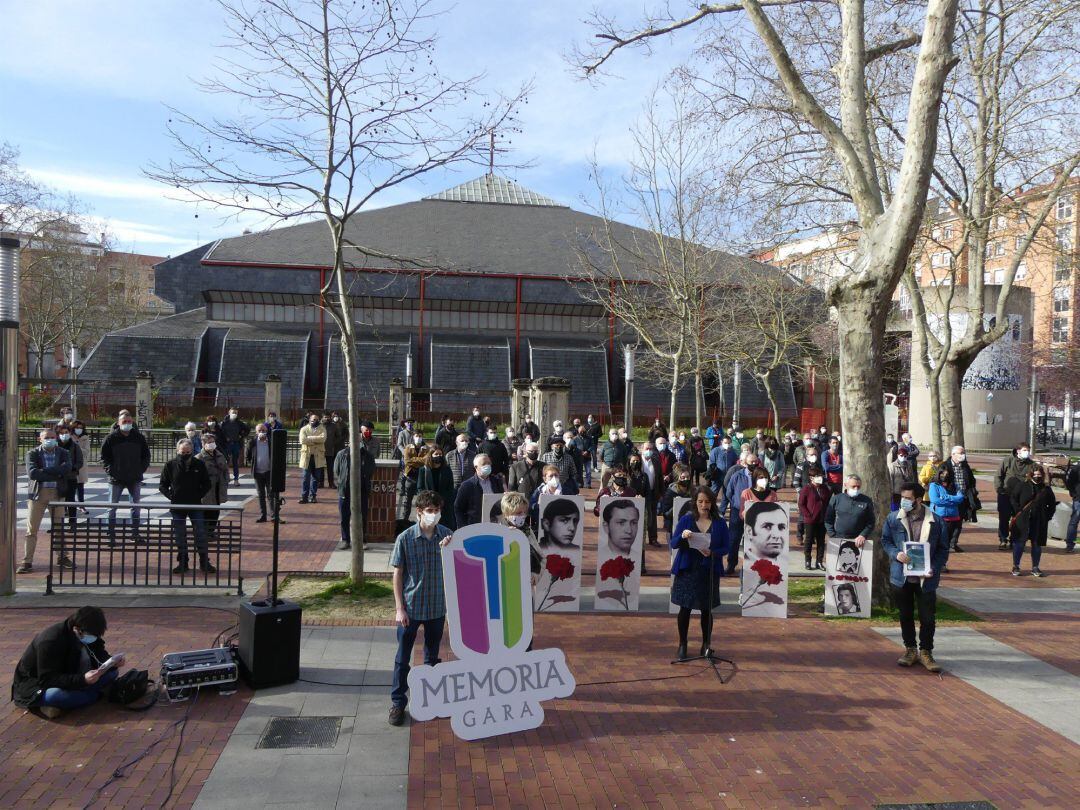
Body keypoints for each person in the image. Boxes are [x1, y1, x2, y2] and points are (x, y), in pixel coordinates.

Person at [389, 490, 451, 727]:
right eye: (430, 511)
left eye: (437, 511)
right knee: (403, 657)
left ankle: (430, 699)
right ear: (419, 512)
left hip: (436, 607)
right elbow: (397, 574)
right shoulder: (405, 538)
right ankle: (397, 703)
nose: (434, 515)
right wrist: (399, 608)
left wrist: (451, 547)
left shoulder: (446, 535)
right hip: (412, 607)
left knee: (432, 657)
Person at [11, 606, 123, 719]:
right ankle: (96, 694)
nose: (93, 638)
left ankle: (84, 695)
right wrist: (83, 679)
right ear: (77, 629)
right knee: (56, 696)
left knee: (113, 673)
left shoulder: (87, 632)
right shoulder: (50, 640)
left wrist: (111, 663)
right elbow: (47, 679)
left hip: (73, 674)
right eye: (92, 636)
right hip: (38, 685)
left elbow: (99, 653)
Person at [881, 482, 947, 672]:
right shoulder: (894, 519)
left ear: (918, 499)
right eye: (902, 497)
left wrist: (933, 567)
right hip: (901, 577)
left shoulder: (936, 521)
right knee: (905, 615)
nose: (904, 501)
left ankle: (926, 651)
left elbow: (943, 549)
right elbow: (886, 540)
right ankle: (910, 649)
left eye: (908, 498)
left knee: (927, 617)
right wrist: (895, 554)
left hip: (926, 578)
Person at [670, 486, 730, 660]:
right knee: (685, 608)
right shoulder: (687, 520)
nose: (704, 505)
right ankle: (682, 644)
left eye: (707, 502)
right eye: (700, 501)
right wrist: (683, 536)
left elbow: (725, 547)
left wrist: (713, 553)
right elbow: (674, 543)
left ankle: (706, 644)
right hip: (688, 568)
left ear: (712, 503)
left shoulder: (719, 523)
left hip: (708, 569)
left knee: (706, 609)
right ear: (695, 502)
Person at [20, 429, 75, 574]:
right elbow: (33, 473)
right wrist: (56, 472)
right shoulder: (32, 453)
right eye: (46, 437)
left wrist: (44, 471)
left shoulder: (63, 452)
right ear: (40, 439)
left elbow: (67, 469)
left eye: (52, 437)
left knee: (59, 528)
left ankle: (62, 557)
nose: (50, 439)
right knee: (31, 529)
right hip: (38, 494)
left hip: (57, 494)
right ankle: (27, 561)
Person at [158, 438, 215, 574]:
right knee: (179, 535)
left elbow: (207, 483)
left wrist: (198, 495)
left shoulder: (199, 464)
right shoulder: (170, 465)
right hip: (177, 507)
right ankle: (183, 562)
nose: (186, 454)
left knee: (200, 533)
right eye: (183, 452)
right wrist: (172, 496)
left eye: (188, 452)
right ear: (178, 451)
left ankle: (204, 562)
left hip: (195, 505)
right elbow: (162, 485)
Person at [100, 413, 151, 544]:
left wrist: (140, 469)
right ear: (118, 422)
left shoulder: (139, 437)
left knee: (135, 507)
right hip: (116, 478)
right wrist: (111, 471)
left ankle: (135, 533)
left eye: (129, 421)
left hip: (134, 477)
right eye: (124, 421)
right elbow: (104, 458)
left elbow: (146, 456)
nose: (127, 423)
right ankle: (110, 535)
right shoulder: (110, 438)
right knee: (112, 508)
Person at [1007, 465, 1057, 577]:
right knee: (1019, 543)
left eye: (1039, 474)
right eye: (1035, 474)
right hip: (1023, 519)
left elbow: (1052, 505)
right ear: (1030, 475)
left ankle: (1035, 567)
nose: (1037, 476)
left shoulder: (1046, 489)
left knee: (1036, 544)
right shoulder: (1022, 485)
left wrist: (1047, 516)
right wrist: (1018, 511)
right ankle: (1016, 565)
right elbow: (1013, 498)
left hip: (1039, 520)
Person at [995, 443, 1036, 551]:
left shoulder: (1031, 464)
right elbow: (998, 475)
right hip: (1006, 494)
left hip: (1021, 497)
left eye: (1028, 450)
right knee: (1004, 518)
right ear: (1018, 451)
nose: (1026, 452)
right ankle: (1003, 539)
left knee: (1018, 519)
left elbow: (1037, 477)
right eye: (1024, 450)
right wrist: (999, 489)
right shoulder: (1008, 460)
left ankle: (1014, 540)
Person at [825, 474, 874, 552]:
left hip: (858, 541)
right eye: (853, 486)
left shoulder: (866, 501)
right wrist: (833, 535)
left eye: (858, 487)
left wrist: (863, 535)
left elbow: (871, 522)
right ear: (845, 485)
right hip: (838, 539)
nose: (856, 489)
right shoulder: (836, 499)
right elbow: (828, 519)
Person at [454, 454, 505, 529]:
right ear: (476, 467)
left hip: (495, 524)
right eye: (484, 464)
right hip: (475, 526)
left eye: (489, 463)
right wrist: (463, 528)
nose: (487, 466)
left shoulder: (497, 481)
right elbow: (458, 508)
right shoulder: (467, 486)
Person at [197, 432, 230, 539]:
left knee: (215, 510)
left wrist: (226, 480)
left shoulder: (219, 454)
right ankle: (205, 533)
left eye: (213, 442)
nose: (212, 444)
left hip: (218, 486)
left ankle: (211, 531)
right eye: (209, 442)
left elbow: (225, 469)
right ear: (203, 444)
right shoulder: (199, 458)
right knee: (206, 511)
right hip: (206, 489)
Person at [798, 466, 831, 570]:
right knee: (809, 540)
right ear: (811, 477)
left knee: (821, 541)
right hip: (810, 519)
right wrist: (808, 514)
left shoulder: (825, 488)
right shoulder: (806, 488)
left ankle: (819, 562)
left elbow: (828, 501)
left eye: (820, 475)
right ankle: (808, 560)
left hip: (822, 519)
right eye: (817, 476)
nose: (819, 478)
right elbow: (801, 504)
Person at [397, 431, 431, 532]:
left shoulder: (427, 448)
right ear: (413, 437)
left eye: (420, 436)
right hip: (410, 477)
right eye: (416, 436)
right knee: (408, 500)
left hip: (422, 477)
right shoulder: (408, 447)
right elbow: (407, 461)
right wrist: (420, 460)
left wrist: (414, 460)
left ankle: (422, 522)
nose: (418, 438)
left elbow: (427, 460)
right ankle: (405, 520)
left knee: (422, 500)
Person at [946, 445, 978, 551]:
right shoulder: (945, 466)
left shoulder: (965, 466)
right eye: (961, 453)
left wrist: (971, 491)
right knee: (949, 523)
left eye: (964, 453)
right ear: (953, 454)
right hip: (950, 499)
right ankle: (946, 543)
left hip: (963, 499)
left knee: (959, 522)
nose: (963, 455)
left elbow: (972, 480)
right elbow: (939, 481)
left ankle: (953, 543)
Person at [417, 448, 456, 530]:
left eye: (440, 454)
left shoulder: (447, 470)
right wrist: (428, 500)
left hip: (444, 506)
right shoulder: (423, 470)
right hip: (428, 505)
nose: (439, 456)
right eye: (436, 454)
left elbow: (450, 488)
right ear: (431, 455)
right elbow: (420, 488)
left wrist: (442, 501)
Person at [55, 423, 84, 527]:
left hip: (71, 477)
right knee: (57, 501)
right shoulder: (54, 446)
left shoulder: (75, 447)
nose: (64, 435)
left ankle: (72, 522)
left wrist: (72, 468)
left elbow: (80, 461)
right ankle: (57, 524)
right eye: (61, 433)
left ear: (70, 433)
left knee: (70, 500)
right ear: (58, 434)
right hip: (57, 478)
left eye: (66, 432)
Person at [246, 423, 274, 522]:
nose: (262, 432)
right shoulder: (252, 442)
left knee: (271, 494)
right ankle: (263, 515)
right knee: (261, 495)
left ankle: (273, 515)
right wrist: (253, 463)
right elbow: (248, 456)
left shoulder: (271, 441)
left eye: (264, 430)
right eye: (259, 431)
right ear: (256, 432)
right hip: (257, 473)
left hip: (269, 472)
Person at [298, 413, 327, 504]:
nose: (314, 421)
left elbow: (323, 439)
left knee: (315, 478)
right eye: (313, 419)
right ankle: (304, 496)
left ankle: (313, 496)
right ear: (309, 420)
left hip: (318, 457)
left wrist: (309, 438)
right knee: (305, 477)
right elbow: (302, 440)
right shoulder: (304, 429)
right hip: (307, 457)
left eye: (316, 419)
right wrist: (315, 441)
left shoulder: (322, 428)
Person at [659, 464, 694, 538]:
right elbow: (666, 514)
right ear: (677, 478)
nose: (685, 479)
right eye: (683, 477)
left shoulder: (693, 491)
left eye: (687, 477)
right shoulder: (670, 492)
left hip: (690, 528)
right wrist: (675, 506)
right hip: (674, 528)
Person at [220, 408, 250, 484]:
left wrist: (241, 436)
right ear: (229, 413)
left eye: (236, 413)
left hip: (236, 444)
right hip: (227, 445)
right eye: (233, 412)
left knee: (235, 463)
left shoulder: (239, 423)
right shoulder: (224, 423)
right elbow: (220, 432)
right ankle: (227, 477)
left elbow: (247, 429)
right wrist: (225, 438)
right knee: (225, 461)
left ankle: (236, 479)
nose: (234, 414)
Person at [70, 419, 91, 517]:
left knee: (80, 486)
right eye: (77, 428)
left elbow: (86, 452)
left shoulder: (85, 438)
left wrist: (77, 446)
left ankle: (81, 505)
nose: (79, 430)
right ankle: (67, 506)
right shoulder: (69, 437)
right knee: (70, 487)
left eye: (81, 428)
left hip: (81, 465)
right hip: (70, 464)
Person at [322, 412, 344, 489]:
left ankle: (331, 483)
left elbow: (339, 436)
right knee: (320, 467)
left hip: (330, 450)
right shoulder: (319, 425)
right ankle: (320, 483)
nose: (326, 418)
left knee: (330, 468)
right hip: (320, 450)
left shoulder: (334, 426)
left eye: (328, 417)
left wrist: (333, 443)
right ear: (322, 417)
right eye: (325, 417)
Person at [1066, 460, 1080, 554]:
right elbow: (1069, 481)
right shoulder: (1076, 468)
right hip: (1079, 498)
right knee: (1074, 521)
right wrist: (1073, 493)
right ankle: (1070, 544)